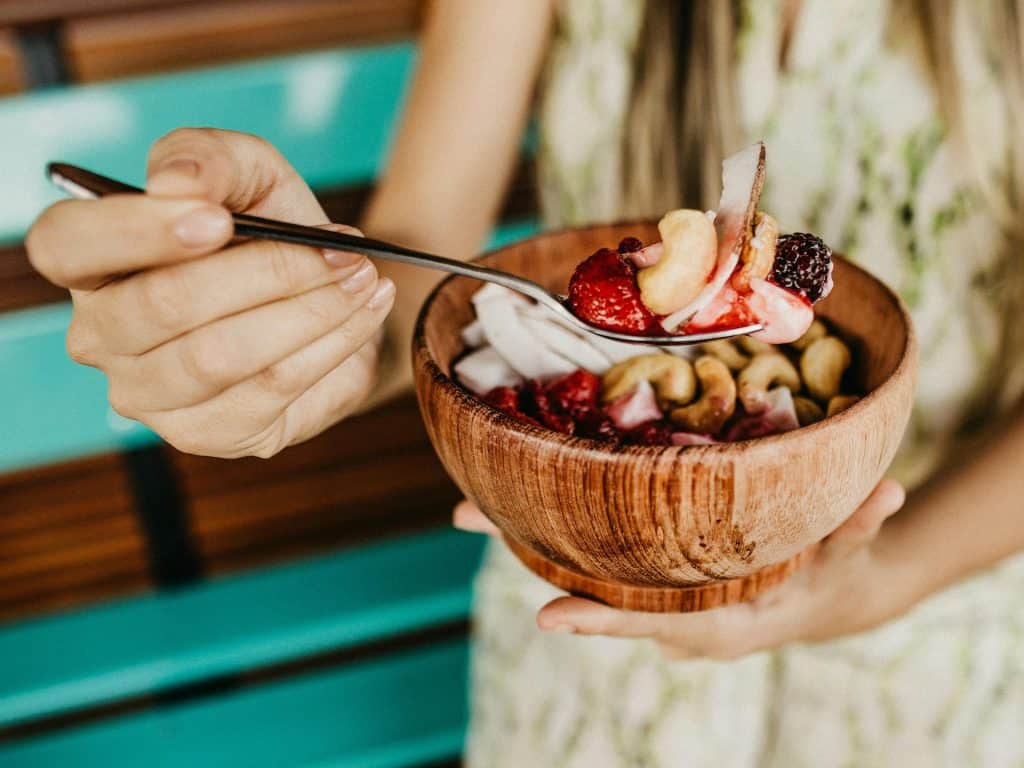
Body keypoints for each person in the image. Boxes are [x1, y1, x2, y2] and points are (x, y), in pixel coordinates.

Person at [25, 0, 1024, 764]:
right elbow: (418, 254)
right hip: (583, 606)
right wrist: (309, 322)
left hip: (938, 621)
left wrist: (883, 579)